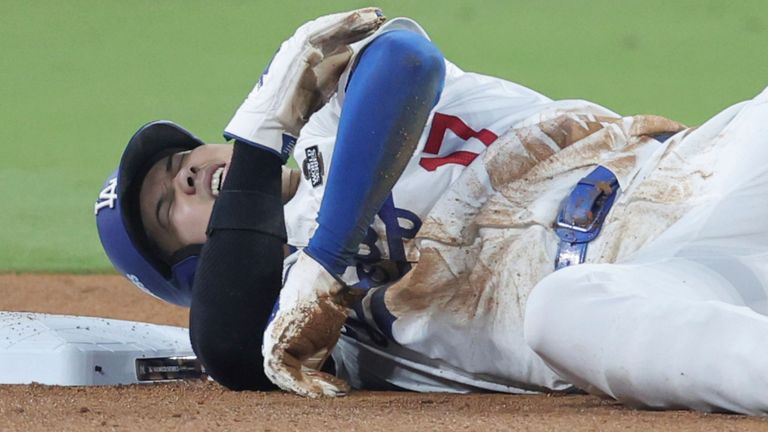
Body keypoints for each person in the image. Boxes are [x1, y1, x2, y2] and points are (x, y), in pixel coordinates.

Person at [95, 8, 768, 414]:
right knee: (562, 314)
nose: (185, 176)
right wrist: (301, 263)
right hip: (657, 288)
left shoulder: (337, 113)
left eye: (178, 161)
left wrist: (266, 138)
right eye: (163, 206)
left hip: (705, 170)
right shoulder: (299, 342)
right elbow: (227, 344)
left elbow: (406, 57)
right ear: (190, 275)